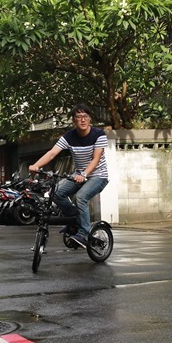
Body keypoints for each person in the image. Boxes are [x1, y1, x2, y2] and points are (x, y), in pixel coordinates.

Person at [29, 103, 109, 246]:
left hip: (98, 176)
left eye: (85, 116)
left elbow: (96, 159)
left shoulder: (99, 135)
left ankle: (84, 233)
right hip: (78, 175)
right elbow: (52, 153)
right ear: (73, 120)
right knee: (56, 193)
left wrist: (84, 173)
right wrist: (36, 165)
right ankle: (75, 220)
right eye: (78, 117)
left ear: (90, 119)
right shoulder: (69, 136)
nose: (82, 120)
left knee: (80, 197)